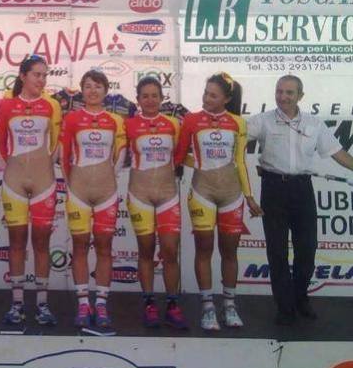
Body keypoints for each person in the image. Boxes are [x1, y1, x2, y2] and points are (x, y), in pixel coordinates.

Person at [247, 74, 353, 325]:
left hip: (302, 190)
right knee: (277, 252)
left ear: (300, 96)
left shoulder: (314, 124)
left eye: (289, 92)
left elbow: (339, 154)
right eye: (279, 91)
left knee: (307, 248)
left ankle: (300, 298)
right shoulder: (262, 121)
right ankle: (285, 308)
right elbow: (233, 136)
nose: (283, 97)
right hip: (273, 189)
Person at [175, 72, 262, 331]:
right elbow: (179, 155)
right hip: (202, 192)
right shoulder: (191, 120)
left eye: (213, 95)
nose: (206, 98)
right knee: (204, 249)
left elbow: (240, 162)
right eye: (205, 93)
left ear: (226, 99)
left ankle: (230, 305)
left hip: (231, 195)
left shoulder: (238, 122)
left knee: (229, 252)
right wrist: (199, 162)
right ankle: (207, 307)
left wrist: (249, 197)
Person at [0, 54, 62, 326]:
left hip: (44, 182)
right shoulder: (6, 105)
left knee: (42, 243)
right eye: (37, 74)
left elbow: (56, 145)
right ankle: (17, 304)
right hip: (14, 181)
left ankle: (42, 304)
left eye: (45, 75)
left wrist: (41, 166)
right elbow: (1, 144)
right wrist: (16, 166)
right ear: (23, 76)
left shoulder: (52, 105)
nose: (42, 80)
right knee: (16, 242)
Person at [60, 70, 126, 328]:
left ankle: (101, 304)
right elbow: (64, 155)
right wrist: (70, 184)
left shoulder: (115, 120)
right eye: (88, 86)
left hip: (106, 192)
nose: (93, 91)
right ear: (82, 91)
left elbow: (121, 154)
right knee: (79, 246)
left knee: (104, 247)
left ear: (106, 90)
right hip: (78, 191)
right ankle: (82, 303)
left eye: (98, 86)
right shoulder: (72, 118)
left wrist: (110, 178)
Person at [124, 77, 187, 329]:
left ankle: (172, 304)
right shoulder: (128, 125)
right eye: (145, 96)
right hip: (139, 194)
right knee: (146, 250)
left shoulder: (173, 124)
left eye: (154, 95)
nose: (150, 100)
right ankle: (149, 303)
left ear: (162, 98)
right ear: (138, 100)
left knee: (170, 250)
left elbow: (180, 155)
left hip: (167, 195)